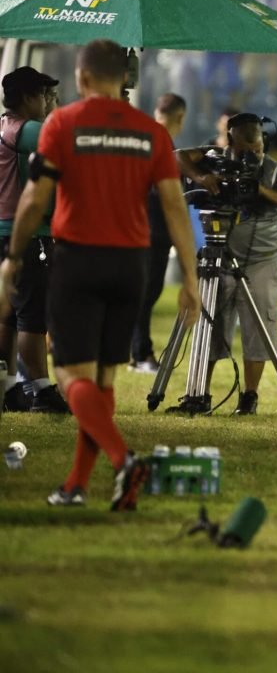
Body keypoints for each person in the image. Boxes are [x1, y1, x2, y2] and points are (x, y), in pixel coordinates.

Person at [0, 39, 200, 509]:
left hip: (79, 261)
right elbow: (173, 205)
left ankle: (124, 458)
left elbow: (33, 198)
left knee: (71, 380)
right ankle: (75, 485)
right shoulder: (149, 132)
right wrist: (189, 276)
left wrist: (12, 256)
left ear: (82, 78)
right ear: (125, 79)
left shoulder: (63, 124)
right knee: (103, 383)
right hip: (131, 263)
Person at [175, 115, 277, 416]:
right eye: (245, 147)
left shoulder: (274, 171)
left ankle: (249, 396)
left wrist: (261, 191)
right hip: (218, 257)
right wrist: (202, 177)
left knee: (258, 329)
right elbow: (176, 157)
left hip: (262, 261)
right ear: (229, 142)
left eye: (257, 146)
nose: (252, 153)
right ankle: (198, 393)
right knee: (209, 325)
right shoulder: (215, 159)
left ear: (263, 142)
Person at [0, 66, 68, 414]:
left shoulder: (6, 127)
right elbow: (64, 141)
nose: (46, 102)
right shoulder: (26, 130)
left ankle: (9, 386)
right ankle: (41, 390)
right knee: (32, 316)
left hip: (5, 232)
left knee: (9, 315)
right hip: (24, 234)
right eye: (43, 95)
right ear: (28, 98)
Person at [129, 93, 187, 374]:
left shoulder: (144, 135)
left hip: (138, 225)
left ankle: (135, 352)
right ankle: (141, 353)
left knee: (144, 292)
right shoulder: (162, 140)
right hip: (155, 227)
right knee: (146, 292)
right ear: (181, 117)